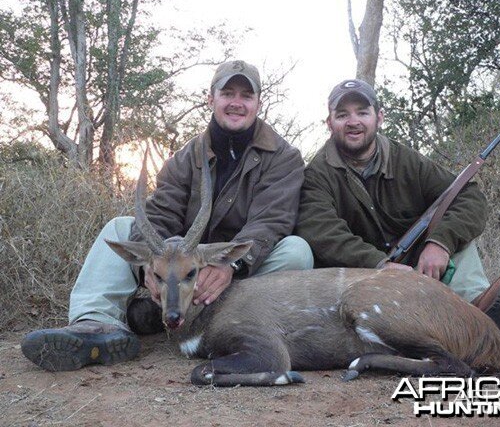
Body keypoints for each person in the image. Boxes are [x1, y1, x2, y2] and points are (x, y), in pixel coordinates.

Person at [21, 60, 314, 372]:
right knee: (120, 228)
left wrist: (233, 264)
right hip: (177, 267)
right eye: (228, 93)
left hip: (235, 275)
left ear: (258, 102)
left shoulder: (284, 157)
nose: (236, 103)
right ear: (210, 98)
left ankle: (214, 323)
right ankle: (95, 327)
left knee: (296, 251)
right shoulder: (184, 157)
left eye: (246, 95)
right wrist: (153, 263)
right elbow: (160, 214)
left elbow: (271, 220)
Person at [296, 78, 500, 333]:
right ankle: (457, 326)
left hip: (417, 270)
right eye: (342, 114)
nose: (353, 121)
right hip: (361, 277)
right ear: (329, 123)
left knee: (459, 240)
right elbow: (321, 232)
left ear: (379, 117)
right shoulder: (317, 174)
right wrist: (381, 266)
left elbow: (468, 196)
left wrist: (440, 243)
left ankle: (479, 314)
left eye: (362, 112)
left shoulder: (407, 160)